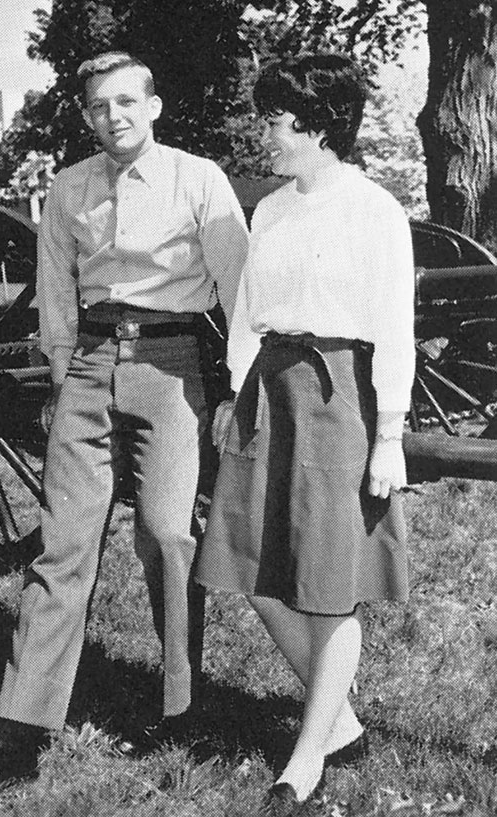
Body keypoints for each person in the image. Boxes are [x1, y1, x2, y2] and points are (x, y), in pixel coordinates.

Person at [0, 51, 249, 809]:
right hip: (88, 365)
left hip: (174, 365)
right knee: (62, 547)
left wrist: (237, 388)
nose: (113, 117)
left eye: (125, 102)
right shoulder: (68, 186)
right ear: (85, 117)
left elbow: (242, 292)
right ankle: (17, 733)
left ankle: (183, 708)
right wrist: (60, 380)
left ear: (153, 104)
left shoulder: (197, 180)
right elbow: (55, 296)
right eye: (98, 108)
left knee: (168, 534)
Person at [196, 51, 415, 815]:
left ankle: (304, 758)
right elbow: (248, 309)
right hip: (269, 393)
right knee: (252, 571)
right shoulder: (273, 208)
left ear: (317, 125)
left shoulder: (372, 210)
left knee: (330, 587)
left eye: (275, 117)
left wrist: (388, 433)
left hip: (338, 399)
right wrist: (235, 395)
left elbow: (394, 327)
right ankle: (341, 723)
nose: (265, 131)